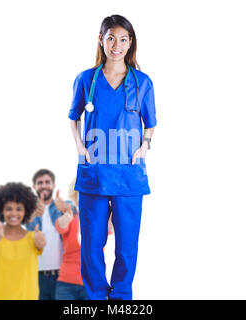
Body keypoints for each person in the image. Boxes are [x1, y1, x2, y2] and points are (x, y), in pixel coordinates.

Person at [68, 15, 157, 300]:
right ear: (101, 40)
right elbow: (74, 118)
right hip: (93, 173)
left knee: (126, 245)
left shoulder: (142, 82)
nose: (116, 45)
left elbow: (151, 123)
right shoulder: (86, 79)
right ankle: (95, 297)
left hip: (129, 176)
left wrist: (145, 146)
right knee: (92, 244)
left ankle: (120, 297)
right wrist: (80, 147)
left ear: (130, 43)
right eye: (111, 38)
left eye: (123, 39)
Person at [0, 182, 46, 300]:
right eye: (9, 209)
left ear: (26, 211)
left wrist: (41, 241)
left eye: (19, 209)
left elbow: (41, 243)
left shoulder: (33, 237)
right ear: (1, 210)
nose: (14, 213)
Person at [26, 168, 76, 300]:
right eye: (40, 182)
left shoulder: (64, 206)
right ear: (34, 186)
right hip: (37, 276)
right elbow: (26, 238)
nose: (44, 185)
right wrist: (32, 215)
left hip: (62, 276)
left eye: (47, 182)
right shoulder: (29, 212)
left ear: (53, 185)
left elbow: (77, 216)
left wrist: (65, 208)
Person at [54, 181, 87, 300]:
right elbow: (61, 226)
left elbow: (111, 228)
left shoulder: (99, 222)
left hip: (93, 284)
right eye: (82, 193)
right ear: (75, 196)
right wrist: (67, 217)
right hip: (66, 285)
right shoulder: (70, 219)